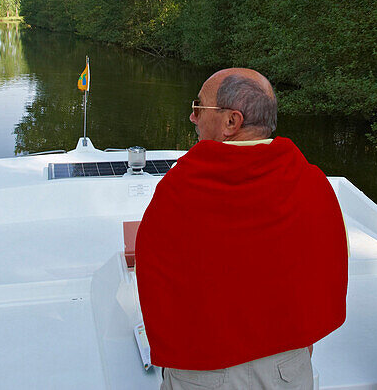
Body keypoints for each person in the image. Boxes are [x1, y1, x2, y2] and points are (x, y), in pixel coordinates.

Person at [136, 68, 348, 390]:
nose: (192, 117)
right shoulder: (311, 182)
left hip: (204, 372)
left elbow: (154, 275)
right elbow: (326, 263)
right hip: (288, 369)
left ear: (231, 122)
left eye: (199, 107)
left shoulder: (180, 189)